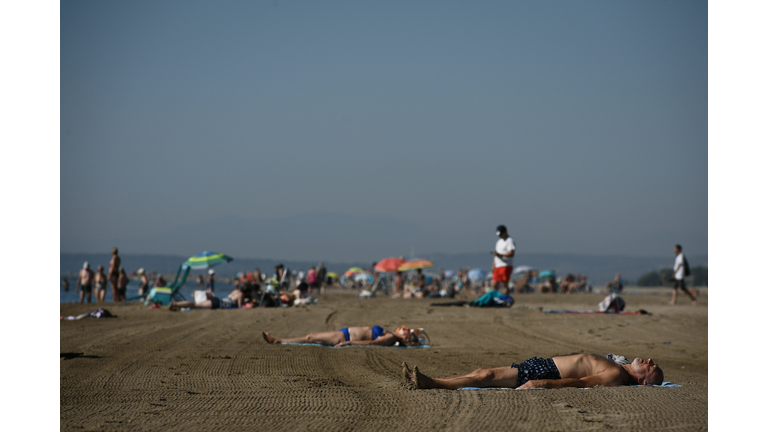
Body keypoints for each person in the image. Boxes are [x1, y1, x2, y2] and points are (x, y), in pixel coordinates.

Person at [402, 353, 663, 390]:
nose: (650, 360)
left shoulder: (617, 376)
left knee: (486, 377)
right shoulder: (620, 365)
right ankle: (431, 380)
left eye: (652, 368)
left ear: (642, 381)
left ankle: (431, 383)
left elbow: (582, 383)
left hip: (548, 372)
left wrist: (543, 384)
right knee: (483, 371)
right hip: (545, 364)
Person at [262, 325, 420, 347]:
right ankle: (279, 340)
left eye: (407, 331)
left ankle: (278, 340)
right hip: (345, 333)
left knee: (310, 337)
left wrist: (348, 343)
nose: (405, 328)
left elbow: (372, 343)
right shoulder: (391, 333)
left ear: (405, 338)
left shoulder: (391, 338)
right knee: (311, 337)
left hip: (345, 337)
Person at [169, 288, 244, 310]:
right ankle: (176, 304)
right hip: (217, 303)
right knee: (195, 305)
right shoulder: (241, 294)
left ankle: (176, 304)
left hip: (217, 299)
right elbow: (240, 307)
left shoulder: (236, 291)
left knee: (195, 305)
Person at [491, 225, 515, 293]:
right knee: (493, 284)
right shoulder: (498, 242)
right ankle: (496, 299)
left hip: (506, 265)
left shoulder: (509, 240)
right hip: (498, 266)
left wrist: (501, 255)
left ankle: (505, 300)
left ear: (505, 232)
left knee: (504, 284)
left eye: (501, 234)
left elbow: (511, 253)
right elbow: (496, 255)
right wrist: (493, 265)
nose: (500, 236)